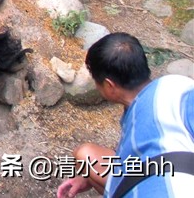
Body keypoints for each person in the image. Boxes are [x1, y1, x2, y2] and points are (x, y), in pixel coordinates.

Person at [56, 32, 194, 197]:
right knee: (87, 158)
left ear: (109, 86)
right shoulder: (178, 85)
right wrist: (88, 178)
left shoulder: (138, 126)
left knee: (85, 156)